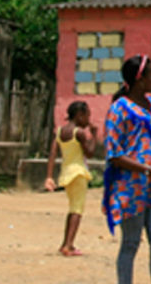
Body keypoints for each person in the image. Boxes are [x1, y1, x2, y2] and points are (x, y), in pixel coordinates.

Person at [104, 54, 151, 284]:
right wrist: (147, 169)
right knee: (131, 243)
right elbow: (114, 154)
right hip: (130, 187)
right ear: (140, 80)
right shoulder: (119, 109)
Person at [44, 100, 98, 256]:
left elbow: (53, 154)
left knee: (72, 208)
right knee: (77, 210)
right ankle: (68, 245)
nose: (88, 120)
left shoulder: (60, 131)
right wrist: (93, 136)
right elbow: (90, 153)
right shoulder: (79, 133)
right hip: (79, 173)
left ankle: (66, 243)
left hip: (66, 173)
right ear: (80, 116)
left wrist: (49, 176)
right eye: (87, 116)